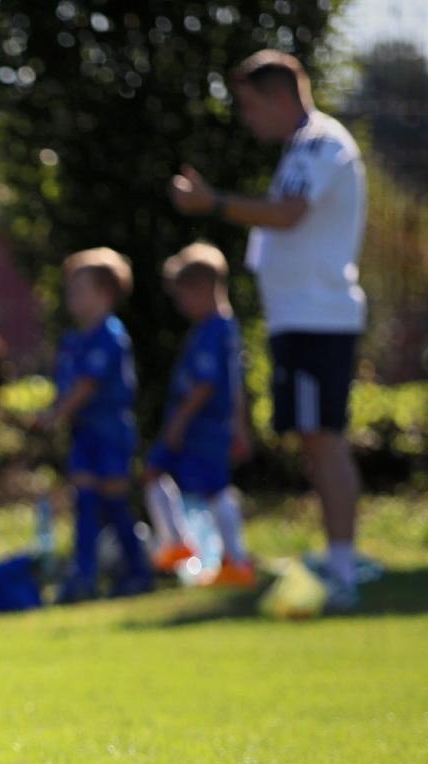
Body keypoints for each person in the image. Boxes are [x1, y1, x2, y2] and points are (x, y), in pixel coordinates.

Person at [170, 49, 367, 610]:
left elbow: (288, 214)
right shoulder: (301, 148)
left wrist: (214, 204)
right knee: (313, 439)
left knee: (323, 440)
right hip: (299, 320)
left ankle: (344, 567)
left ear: (282, 96)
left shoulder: (323, 144)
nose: (248, 119)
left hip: (318, 319)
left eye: (253, 106)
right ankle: (338, 558)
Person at [35, 248, 150, 603]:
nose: (72, 298)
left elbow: (86, 387)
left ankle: (138, 571)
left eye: (80, 290)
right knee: (84, 502)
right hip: (84, 433)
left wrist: (55, 416)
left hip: (111, 432)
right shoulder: (73, 340)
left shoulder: (111, 336)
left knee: (114, 503)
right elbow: (67, 386)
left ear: (104, 294)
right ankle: (83, 578)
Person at [143, 242, 256, 588]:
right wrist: (241, 425)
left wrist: (179, 422)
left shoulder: (215, 330)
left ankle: (234, 559)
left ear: (204, 288)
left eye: (184, 296)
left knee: (214, 490)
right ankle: (179, 544)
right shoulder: (220, 329)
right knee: (156, 471)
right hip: (203, 426)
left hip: (201, 427)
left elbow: (207, 386)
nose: (181, 305)